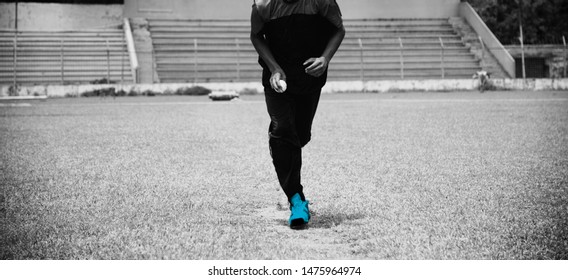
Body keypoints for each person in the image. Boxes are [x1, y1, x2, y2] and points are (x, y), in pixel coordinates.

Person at [250, 0, 345, 229]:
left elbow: (339, 29)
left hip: (309, 78)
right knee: (283, 130)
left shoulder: (321, 2)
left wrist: (325, 58)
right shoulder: (263, 5)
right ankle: (296, 199)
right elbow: (256, 36)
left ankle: (282, 148)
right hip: (278, 78)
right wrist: (274, 67)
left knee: (299, 136)